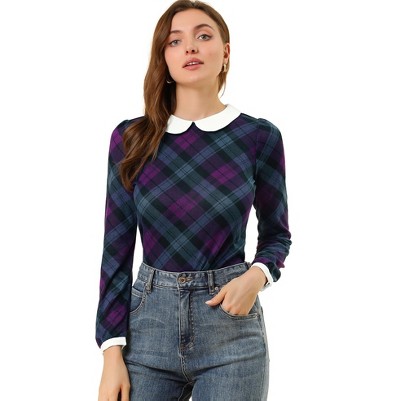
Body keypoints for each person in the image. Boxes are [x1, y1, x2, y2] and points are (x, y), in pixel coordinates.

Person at [96, 1, 291, 400]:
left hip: (231, 332)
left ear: (226, 52)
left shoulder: (258, 137)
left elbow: (277, 235)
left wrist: (255, 277)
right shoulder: (131, 139)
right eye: (175, 41)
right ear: (163, 58)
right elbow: (116, 251)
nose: (190, 47)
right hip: (147, 330)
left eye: (203, 36)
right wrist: (111, 351)